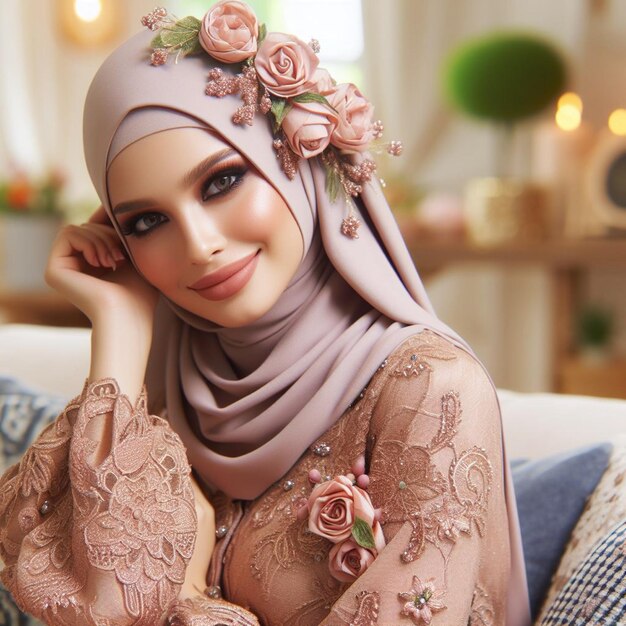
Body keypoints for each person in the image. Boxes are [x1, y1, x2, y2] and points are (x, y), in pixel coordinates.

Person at [0, 2, 531, 624]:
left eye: (221, 181)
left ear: (298, 162)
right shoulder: (170, 386)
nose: (198, 245)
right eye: (147, 222)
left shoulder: (434, 392)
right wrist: (117, 330)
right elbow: (99, 607)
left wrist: (193, 601)